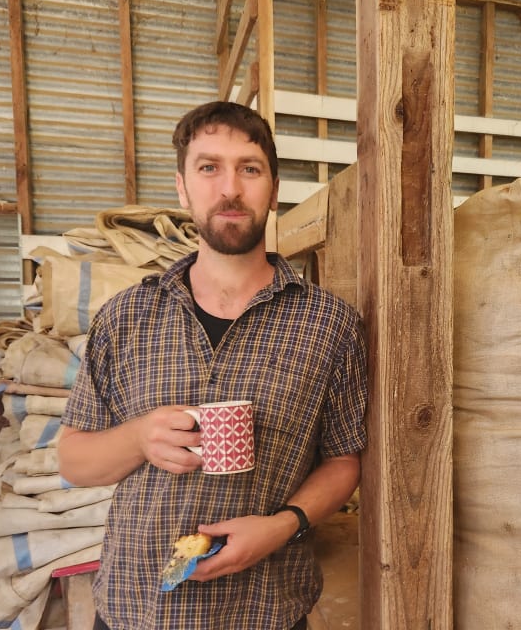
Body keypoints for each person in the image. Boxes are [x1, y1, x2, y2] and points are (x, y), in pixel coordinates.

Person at [57, 100, 368, 630]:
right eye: (209, 168)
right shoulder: (126, 317)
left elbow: (343, 461)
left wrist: (283, 525)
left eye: (249, 168)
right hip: (138, 608)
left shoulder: (329, 324)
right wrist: (137, 439)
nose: (231, 188)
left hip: (267, 608)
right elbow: (73, 460)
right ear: (182, 187)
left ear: (272, 188)